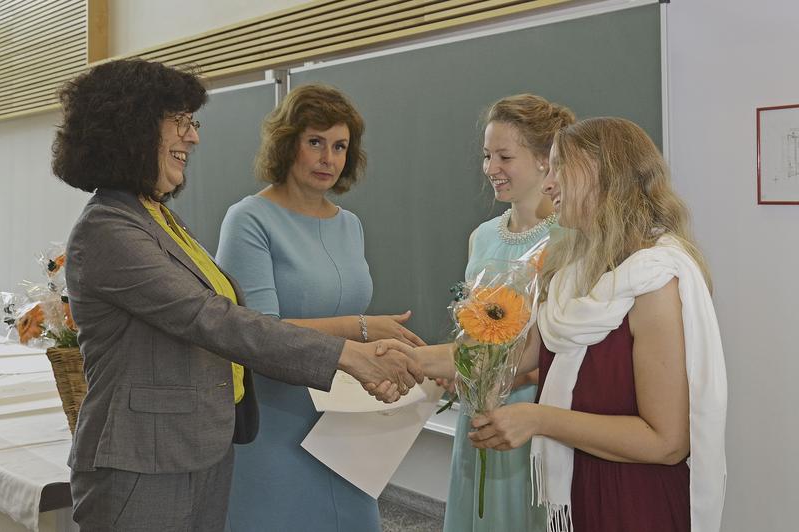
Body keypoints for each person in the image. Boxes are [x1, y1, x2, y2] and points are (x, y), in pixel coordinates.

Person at [51, 59, 421, 532]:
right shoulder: (108, 228)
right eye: (180, 122)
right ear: (132, 128)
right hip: (144, 465)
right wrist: (352, 353)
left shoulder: (153, 216)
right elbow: (214, 319)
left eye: (192, 122)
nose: (194, 137)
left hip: (196, 451)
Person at [454, 117, 727, 531]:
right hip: (580, 490)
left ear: (606, 177)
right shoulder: (575, 275)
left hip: (636, 502)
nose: (549, 184)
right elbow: (509, 352)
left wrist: (539, 419)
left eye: (561, 168)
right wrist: (404, 358)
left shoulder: (656, 281)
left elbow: (666, 442)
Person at [215, 84, 425, 532]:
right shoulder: (249, 220)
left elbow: (352, 323)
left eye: (340, 146)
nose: (329, 158)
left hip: (347, 427)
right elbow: (258, 332)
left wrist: (385, 353)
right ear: (288, 143)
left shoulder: (350, 225)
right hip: (274, 422)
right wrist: (363, 329)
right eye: (316, 142)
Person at [434, 94, 575, 532]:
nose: (490, 167)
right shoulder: (480, 237)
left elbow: (569, 345)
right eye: (487, 155)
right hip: (477, 410)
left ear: (543, 161)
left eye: (505, 156)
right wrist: (460, 370)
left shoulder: (569, 239)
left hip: (529, 413)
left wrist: (513, 376)